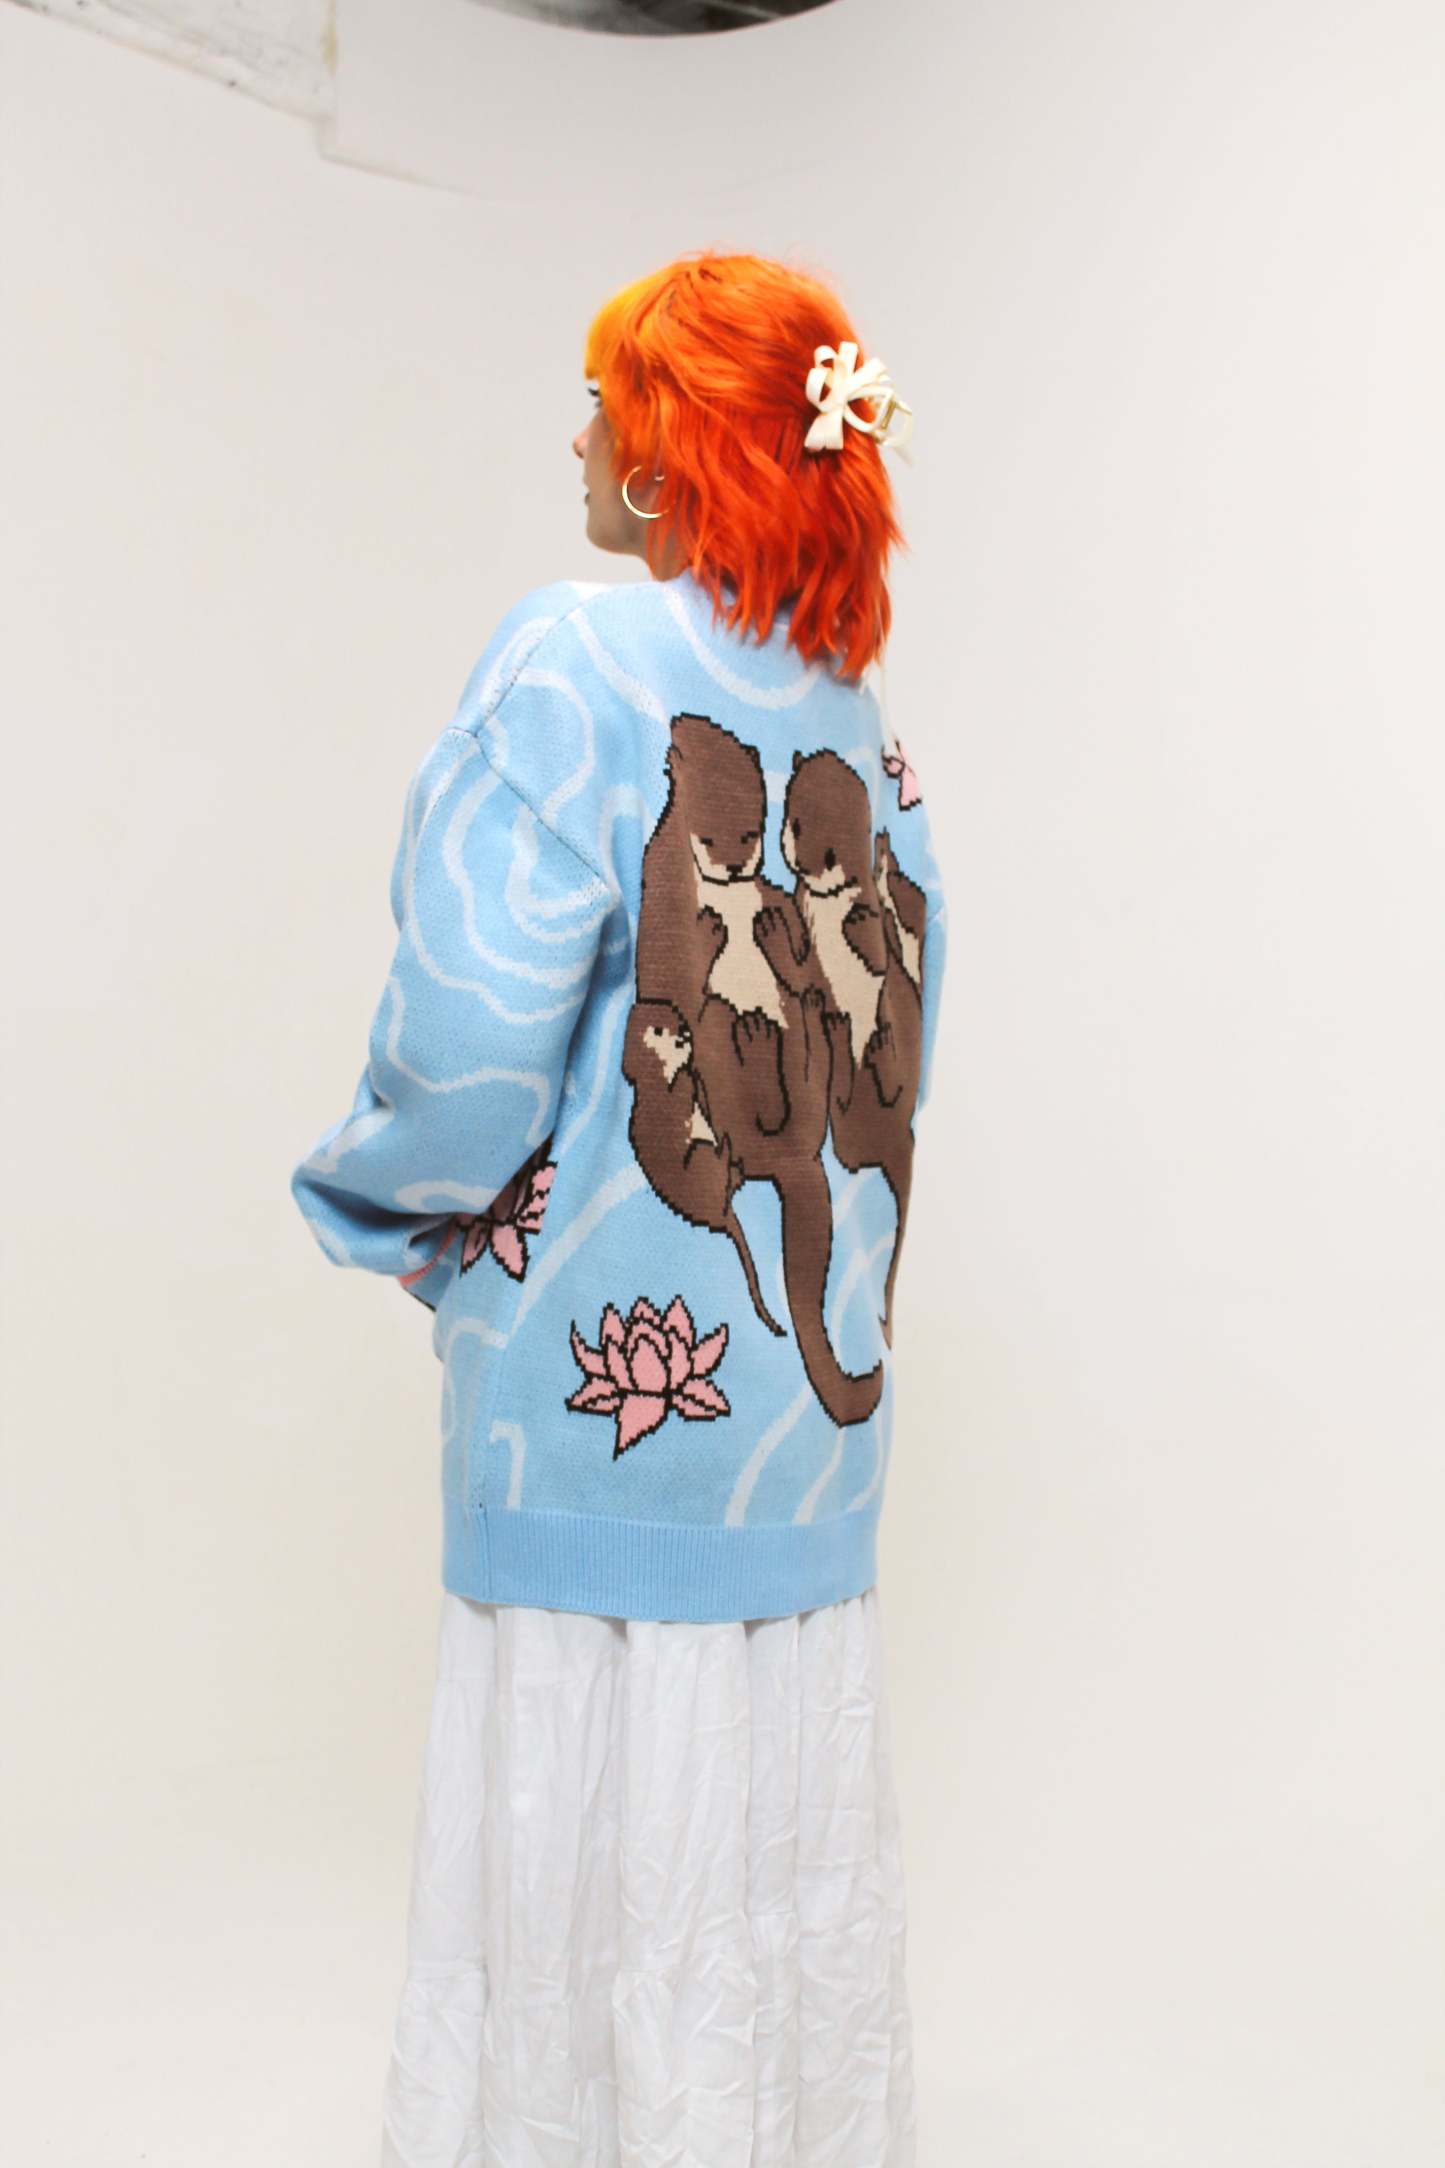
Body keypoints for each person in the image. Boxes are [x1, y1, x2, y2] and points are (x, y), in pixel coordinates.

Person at [289, 248, 947, 2168]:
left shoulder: (570, 661)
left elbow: (468, 1020)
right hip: (798, 1430)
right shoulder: (857, 720)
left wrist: (389, 1206)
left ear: (667, 452)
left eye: (599, 400)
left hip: (592, 1413)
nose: (573, 436)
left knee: (579, 1860)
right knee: (756, 1868)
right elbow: (899, 1053)